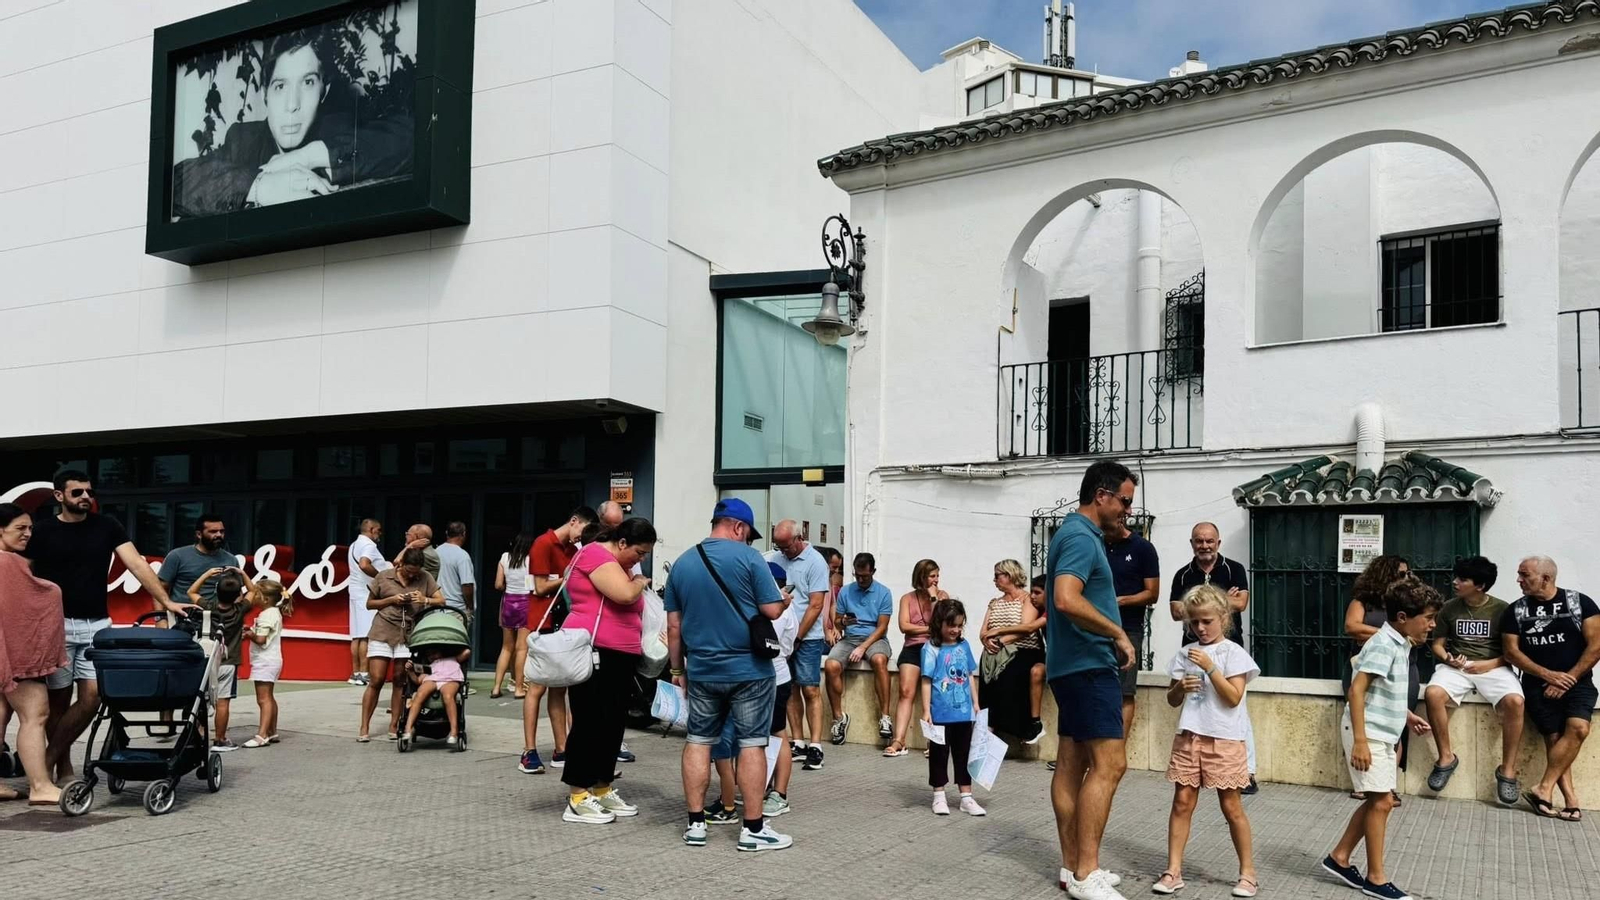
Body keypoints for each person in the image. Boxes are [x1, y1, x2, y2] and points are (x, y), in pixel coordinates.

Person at [26, 469, 194, 781]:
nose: (86, 497)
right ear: (59, 496)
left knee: (93, 696)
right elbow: (23, 577)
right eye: (77, 493)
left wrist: (166, 601)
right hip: (53, 626)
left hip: (97, 626)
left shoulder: (107, 526)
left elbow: (138, 565)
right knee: (58, 702)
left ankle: (43, 762)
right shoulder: (43, 531)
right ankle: (62, 768)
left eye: (89, 492)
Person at [171, 28, 414, 217]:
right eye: (280, 86)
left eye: (307, 83)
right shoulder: (242, 140)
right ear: (265, 92)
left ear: (323, 91)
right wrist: (261, 185)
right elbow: (177, 182)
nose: (292, 105)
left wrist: (307, 157)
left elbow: (412, 137)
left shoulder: (339, 129)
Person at [666, 498, 791, 852]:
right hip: (750, 670)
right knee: (752, 743)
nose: (748, 541)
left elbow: (673, 626)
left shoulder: (682, 563)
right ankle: (752, 829)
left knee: (698, 741)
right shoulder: (751, 558)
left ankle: (695, 825)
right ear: (738, 527)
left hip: (703, 669)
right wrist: (781, 601)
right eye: (748, 534)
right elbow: (770, 610)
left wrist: (678, 670)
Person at [1047, 460, 1139, 900]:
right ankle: (1087, 872)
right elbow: (1066, 599)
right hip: (1088, 665)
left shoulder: (1072, 534)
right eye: (1124, 501)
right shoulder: (1080, 537)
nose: (1127, 511)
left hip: (1073, 666)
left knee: (1071, 764)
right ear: (1101, 495)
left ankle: (1072, 867)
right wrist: (1117, 631)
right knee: (1110, 764)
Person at [1320, 576, 1441, 900]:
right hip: (1368, 734)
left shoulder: (1399, 644)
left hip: (1381, 733)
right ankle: (1376, 878)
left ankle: (1339, 858)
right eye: (1427, 618)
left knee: (1380, 801)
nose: (1432, 625)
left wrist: (1407, 715)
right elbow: (1356, 690)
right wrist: (1360, 741)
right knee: (1382, 802)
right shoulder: (1384, 644)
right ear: (1403, 618)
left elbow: (1381, 690)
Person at [1156, 585, 1259, 898]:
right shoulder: (1186, 653)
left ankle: (1248, 874)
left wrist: (1210, 668)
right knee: (1182, 803)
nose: (1200, 628)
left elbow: (1233, 698)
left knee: (1231, 807)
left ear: (1223, 618)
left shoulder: (1234, 653)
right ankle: (1173, 871)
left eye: (1206, 621)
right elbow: (1172, 699)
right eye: (1194, 622)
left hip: (1225, 738)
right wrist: (1180, 689)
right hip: (1190, 735)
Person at [557, 517, 655, 824]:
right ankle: (577, 795)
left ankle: (601, 787)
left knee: (612, 723)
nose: (641, 561)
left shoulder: (620, 564)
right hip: (595, 650)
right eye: (639, 553)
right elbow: (624, 595)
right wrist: (639, 583)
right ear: (622, 542)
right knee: (589, 720)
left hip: (620, 653)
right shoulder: (595, 555)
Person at [1501, 556, 1599, 822]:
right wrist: (1547, 675)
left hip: (1578, 683)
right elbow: (1511, 652)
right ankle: (1569, 800)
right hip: (1537, 686)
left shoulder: (1580, 603)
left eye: (1525, 575)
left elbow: (1596, 645)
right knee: (1554, 739)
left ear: (1545, 578)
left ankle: (1542, 788)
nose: (1519, 580)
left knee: (1579, 729)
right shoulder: (1516, 610)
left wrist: (1568, 677)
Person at [1422, 555, 1522, 804]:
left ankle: (1507, 770)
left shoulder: (1502, 609)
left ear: (1480, 585)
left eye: (1462, 579)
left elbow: (1512, 652)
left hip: (1493, 666)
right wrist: (1447, 659)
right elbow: (1437, 644)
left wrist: (1490, 664)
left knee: (1515, 702)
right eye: (1456, 577)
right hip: (1457, 666)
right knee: (1433, 694)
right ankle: (1446, 758)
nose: (1455, 582)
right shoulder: (1449, 607)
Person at [1168, 522, 1256, 793]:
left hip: (1228, 645)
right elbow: (1175, 611)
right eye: (1198, 541)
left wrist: (1199, 603)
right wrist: (1218, 601)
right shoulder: (1183, 574)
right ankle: (1198, 766)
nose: (1204, 545)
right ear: (1192, 543)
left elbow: (1242, 603)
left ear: (1218, 542)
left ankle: (1247, 772)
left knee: (1236, 710)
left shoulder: (1235, 569)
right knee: (1196, 704)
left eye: (1209, 541)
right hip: (1193, 650)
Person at [1343, 555, 1427, 803]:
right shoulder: (1365, 602)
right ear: (1384, 574)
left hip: (1402, 668)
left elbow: (1415, 636)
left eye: (1408, 573)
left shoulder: (1409, 605)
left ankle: (1386, 784)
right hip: (1367, 666)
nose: (1407, 577)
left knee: (1395, 723)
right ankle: (1367, 783)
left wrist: (1382, 636)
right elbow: (1351, 626)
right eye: (1401, 573)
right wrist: (1389, 635)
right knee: (1366, 718)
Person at [519, 506, 596, 775]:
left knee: (559, 688)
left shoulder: (574, 551)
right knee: (537, 687)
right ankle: (528, 751)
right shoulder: (543, 543)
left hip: (564, 623)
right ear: (573, 521)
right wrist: (566, 579)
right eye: (582, 532)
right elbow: (540, 587)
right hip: (542, 624)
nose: (580, 538)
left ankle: (562, 749)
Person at [0, 503, 64, 806]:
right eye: (19, 528)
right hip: (16, 658)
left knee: (0, 713)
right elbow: (26, 609)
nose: (27, 534)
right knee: (35, 714)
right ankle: (40, 786)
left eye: (29, 528)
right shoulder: (8, 564)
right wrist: (52, 590)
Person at [358, 548, 446, 742]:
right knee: (377, 679)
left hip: (408, 633)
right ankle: (364, 726)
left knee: (400, 679)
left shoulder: (425, 578)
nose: (412, 575)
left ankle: (394, 724)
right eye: (409, 571)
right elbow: (370, 604)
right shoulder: (384, 577)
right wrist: (391, 600)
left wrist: (425, 599)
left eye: (416, 571)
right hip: (383, 629)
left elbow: (441, 600)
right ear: (401, 564)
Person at [766, 521, 831, 770]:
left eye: (787, 546)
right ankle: (798, 740)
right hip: (784, 634)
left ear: (799, 537)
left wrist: (798, 636)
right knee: (790, 688)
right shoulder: (777, 559)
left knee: (810, 689)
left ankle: (816, 744)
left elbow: (816, 604)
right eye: (779, 547)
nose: (784, 551)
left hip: (808, 636)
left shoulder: (815, 562)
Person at [922, 598, 985, 817]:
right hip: (940, 712)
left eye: (959, 625)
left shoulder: (964, 645)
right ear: (939, 623)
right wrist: (926, 710)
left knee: (964, 754)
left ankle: (966, 797)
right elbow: (926, 680)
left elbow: (969, 675)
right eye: (951, 625)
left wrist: (976, 703)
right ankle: (938, 795)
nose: (955, 630)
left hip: (964, 712)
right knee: (939, 754)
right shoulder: (930, 648)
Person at [824, 552, 895, 745]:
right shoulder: (846, 591)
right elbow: (837, 621)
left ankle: (885, 717)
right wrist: (842, 622)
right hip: (851, 637)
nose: (861, 580)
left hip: (875, 637)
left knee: (879, 660)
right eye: (858, 576)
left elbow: (882, 627)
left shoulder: (884, 593)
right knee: (831, 665)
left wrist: (863, 648)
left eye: (865, 576)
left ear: (873, 571)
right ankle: (839, 717)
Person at [978, 558, 1046, 743]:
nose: (994, 580)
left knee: (1008, 677)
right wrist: (986, 642)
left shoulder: (1027, 599)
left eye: (997, 576)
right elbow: (984, 630)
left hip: (1023, 650)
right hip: (996, 652)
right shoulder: (994, 602)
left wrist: (1000, 642)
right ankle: (987, 728)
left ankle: (1015, 728)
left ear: (1009, 575)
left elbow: (1025, 629)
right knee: (986, 676)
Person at [885, 559, 947, 757]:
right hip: (912, 647)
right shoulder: (907, 598)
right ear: (921, 577)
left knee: (936, 693)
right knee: (905, 691)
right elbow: (904, 626)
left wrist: (934, 599)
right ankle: (899, 740)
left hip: (935, 647)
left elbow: (943, 623)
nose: (936, 580)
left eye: (937, 575)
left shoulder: (942, 596)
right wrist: (928, 629)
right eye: (932, 576)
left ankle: (934, 740)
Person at [1104, 515, 1159, 738]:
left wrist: (1119, 601)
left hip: (1128, 627)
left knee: (1124, 692)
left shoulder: (1142, 548)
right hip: (1095, 627)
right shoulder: (1096, 545)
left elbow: (1152, 594)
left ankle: (1117, 749)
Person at [185, 566, 249, 751]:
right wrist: (242, 574)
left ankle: (198, 734)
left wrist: (206, 574)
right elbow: (253, 591)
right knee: (223, 701)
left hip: (208, 660)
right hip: (229, 662)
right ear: (238, 594)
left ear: (216, 592)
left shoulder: (208, 607)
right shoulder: (240, 610)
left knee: (202, 699)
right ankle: (220, 739)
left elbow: (191, 591)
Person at [764, 561, 800, 818]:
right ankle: (762, 788)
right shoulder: (783, 610)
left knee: (778, 734)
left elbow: (779, 649)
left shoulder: (779, 611)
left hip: (774, 679)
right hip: (773, 675)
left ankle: (780, 793)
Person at [240, 580, 290, 749]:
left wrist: (248, 634)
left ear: (265, 599)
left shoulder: (266, 615)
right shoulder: (274, 612)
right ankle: (272, 731)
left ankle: (262, 734)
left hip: (264, 661)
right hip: (273, 659)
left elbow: (261, 640)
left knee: (263, 699)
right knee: (269, 696)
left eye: (255, 594)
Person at [157, 514, 236, 607]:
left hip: (217, 617)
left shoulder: (231, 560)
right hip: (183, 616)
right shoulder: (177, 556)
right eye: (213, 531)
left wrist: (235, 615)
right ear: (199, 534)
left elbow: (237, 593)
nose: (219, 535)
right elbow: (159, 589)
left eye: (221, 531)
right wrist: (160, 619)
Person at [401, 646, 470, 752]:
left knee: (448, 696)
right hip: (432, 679)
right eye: (428, 654)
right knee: (420, 694)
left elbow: (467, 652)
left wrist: (453, 646)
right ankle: (408, 728)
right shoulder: (429, 667)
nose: (431, 656)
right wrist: (410, 671)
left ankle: (454, 731)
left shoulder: (453, 659)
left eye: (434, 652)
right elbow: (418, 680)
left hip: (450, 679)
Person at [346, 518, 389, 686]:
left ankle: (355, 673)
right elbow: (364, 565)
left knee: (356, 635)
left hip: (356, 590)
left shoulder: (354, 545)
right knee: (365, 634)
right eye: (378, 530)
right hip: (366, 592)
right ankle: (364, 673)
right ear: (371, 529)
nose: (380, 534)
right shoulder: (369, 546)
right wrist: (380, 577)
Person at [492, 533, 534, 700]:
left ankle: (496, 688)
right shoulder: (531, 560)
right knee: (522, 648)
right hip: (526, 603)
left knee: (506, 647)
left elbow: (498, 584)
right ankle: (518, 688)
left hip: (508, 603)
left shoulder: (504, 557)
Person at [435, 521, 475, 618]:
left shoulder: (436, 552)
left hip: (436, 608)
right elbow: (467, 584)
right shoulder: (462, 555)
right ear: (464, 534)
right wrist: (470, 606)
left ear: (446, 533)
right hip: (457, 610)